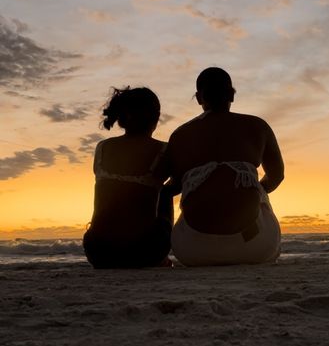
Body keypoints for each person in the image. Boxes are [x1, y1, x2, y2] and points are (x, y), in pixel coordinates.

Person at [157, 67, 284, 266]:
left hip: (192, 250)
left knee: (165, 194)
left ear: (199, 98)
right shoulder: (258, 126)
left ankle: (159, 254)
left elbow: (173, 187)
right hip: (255, 248)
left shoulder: (180, 135)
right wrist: (250, 190)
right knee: (259, 190)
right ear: (232, 95)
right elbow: (276, 177)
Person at [83, 87, 172, 268]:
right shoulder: (163, 150)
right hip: (144, 252)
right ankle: (161, 259)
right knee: (165, 191)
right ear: (155, 119)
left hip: (97, 251)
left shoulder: (102, 147)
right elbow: (182, 182)